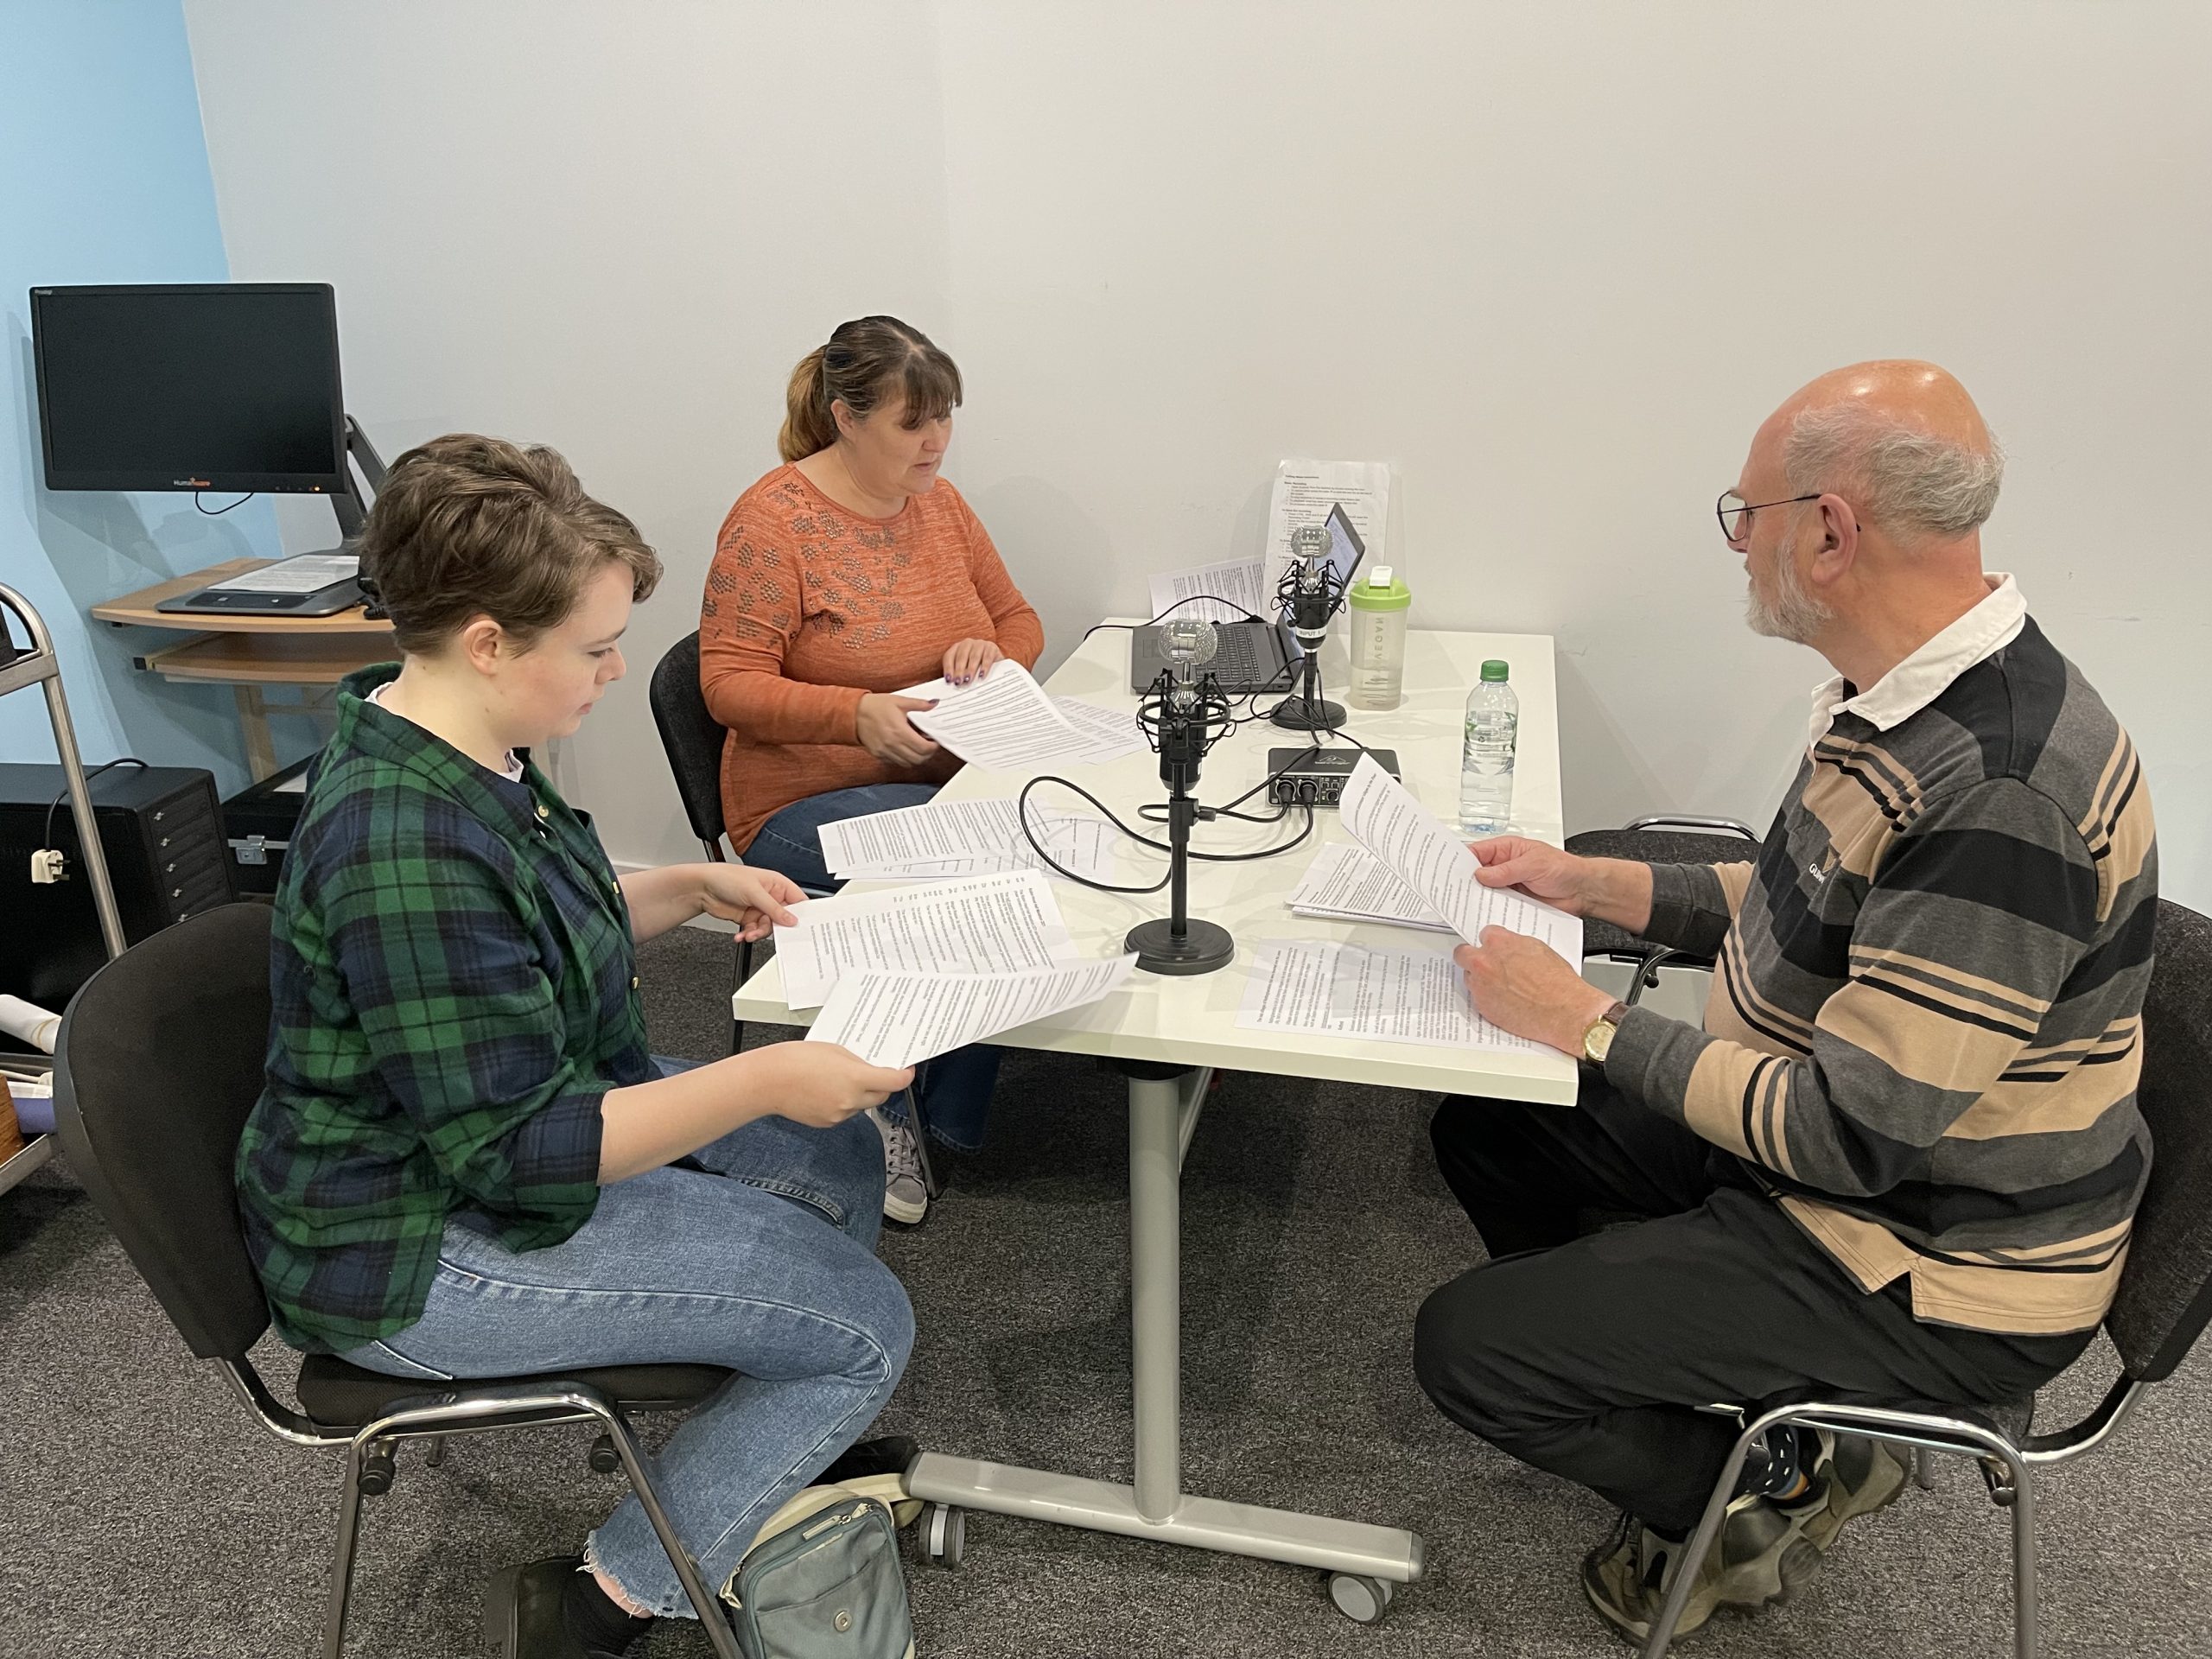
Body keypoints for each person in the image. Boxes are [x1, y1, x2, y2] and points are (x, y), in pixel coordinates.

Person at [1412, 362, 2158, 1643]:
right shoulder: (1910, 697)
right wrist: (1592, 883)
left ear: (1829, 530)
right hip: (1862, 1173)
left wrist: (1585, 1019)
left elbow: (1847, 1135)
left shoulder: (1999, 790)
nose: (1738, 543)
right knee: (1492, 1123)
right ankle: (1734, 1382)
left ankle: (1761, 1483)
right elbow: (1800, 895)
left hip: (1937, 1256)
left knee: (1470, 1348)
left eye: (1741, 514)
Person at [236, 435, 920, 1659]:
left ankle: (762, 1435)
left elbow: (537, 911)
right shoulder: (403, 843)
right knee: (865, 1327)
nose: (614, 670)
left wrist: (680, 887)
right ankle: (601, 1598)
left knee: (837, 1167)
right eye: (596, 649)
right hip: (407, 1252)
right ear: (491, 642)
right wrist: (764, 1071)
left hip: (496, 1133)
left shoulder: (461, 746)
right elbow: (525, 1153)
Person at [701, 315, 1045, 1223]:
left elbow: (1020, 620)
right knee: (975, 869)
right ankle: (891, 1109)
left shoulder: (940, 504)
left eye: (945, 417)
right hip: (796, 802)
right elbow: (726, 687)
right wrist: (853, 712)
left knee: (1026, 841)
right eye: (911, 422)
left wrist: (990, 652)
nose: (934, 441)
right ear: (846, 417)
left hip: (936, 778)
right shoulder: (772, 522)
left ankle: (936, 1113)